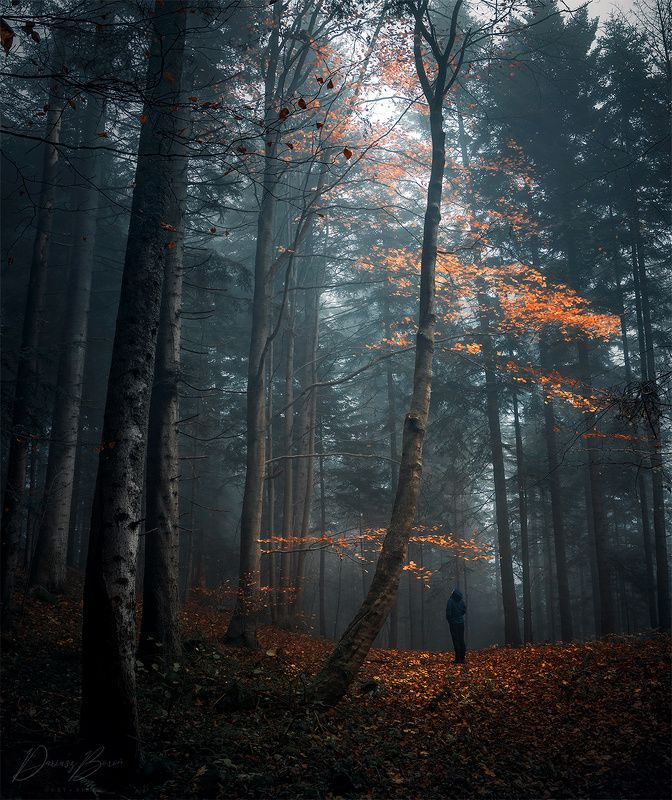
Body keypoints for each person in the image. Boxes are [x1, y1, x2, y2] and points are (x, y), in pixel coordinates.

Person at [446, 587, 467, 664]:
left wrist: (450, 621)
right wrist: (460, 615)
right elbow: (464, 609)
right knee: (461, 640)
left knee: (456, 641)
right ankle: (462, 658)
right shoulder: (461, 601)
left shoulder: (450, 601)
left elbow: (448, 613)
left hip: (454, 624)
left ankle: (458, 659)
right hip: (461, 623)